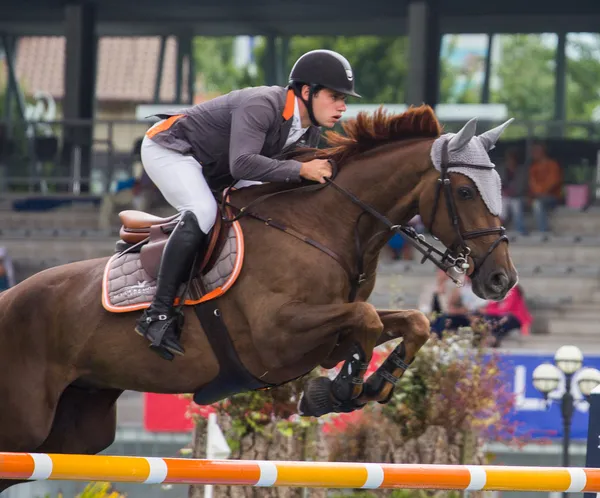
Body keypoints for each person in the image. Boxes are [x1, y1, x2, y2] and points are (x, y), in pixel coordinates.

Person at [136, 49, 360, 359]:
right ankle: (157, 315)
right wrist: (301, 169)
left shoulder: (310, 129)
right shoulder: (263, 104)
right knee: (203, 211)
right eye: (335, 96)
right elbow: (242, 164)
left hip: (216, 166)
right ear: (307, 91)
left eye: (345, 99)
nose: (342, 106)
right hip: (172, 149)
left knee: (263, 208)